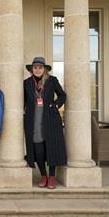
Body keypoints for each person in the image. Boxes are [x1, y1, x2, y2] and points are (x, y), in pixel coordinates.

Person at [24, 57, 67, 189]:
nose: (37, 70)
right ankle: (43, 175)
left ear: (44, 69)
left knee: (51, 147)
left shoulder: (52, 81)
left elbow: (62, 95)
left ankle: (52, 177)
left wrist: (55, 105)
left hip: (51, 119)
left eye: (40, 67)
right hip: (33, 120)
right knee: (39, 149)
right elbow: (22, 100)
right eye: (35, 67)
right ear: (32, 69)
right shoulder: (26, 83)